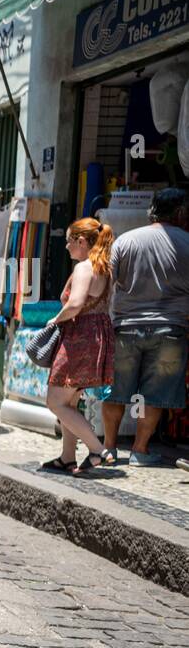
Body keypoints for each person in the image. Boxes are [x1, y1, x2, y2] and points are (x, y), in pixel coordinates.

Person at [101, 187, 189, 466]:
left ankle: (109, 448)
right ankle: (140, 450)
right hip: (171, 330)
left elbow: (105, 283)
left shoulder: (125, 241)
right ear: (180, 213)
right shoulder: (187, 242)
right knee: (154, 395)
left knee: (115, 390)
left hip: (126, 327)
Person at [39, 219, 117, 475]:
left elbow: (75, 304)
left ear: (82, 242)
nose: (66, 247)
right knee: (69, 403)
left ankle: (97, 449)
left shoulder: (85, 267)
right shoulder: (104, 268)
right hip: (95, 336)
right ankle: (67, 457)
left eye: (69, 241)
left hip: (79, 338)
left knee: (55, 401)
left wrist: (54, 319)